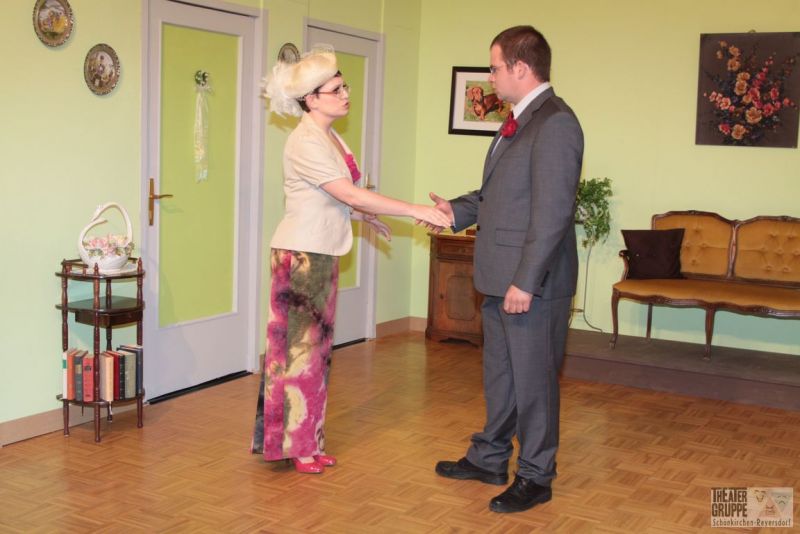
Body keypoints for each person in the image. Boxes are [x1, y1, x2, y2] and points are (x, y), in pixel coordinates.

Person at [251, 46, 452, 475]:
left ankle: (307, 441)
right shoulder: (304, 141)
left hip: (320, 251)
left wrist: (364, 217)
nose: (346, 95)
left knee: (317, 353)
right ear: (311, 99)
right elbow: (346, 192)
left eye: (345, 87)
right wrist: (413, 209)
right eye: (336, 89)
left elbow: (332, 198)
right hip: (301, 256)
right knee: (299, 354)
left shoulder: (328, 136)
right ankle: (297, 447)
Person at [430, 26, 584, 513]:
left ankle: (536, 476)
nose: (491, 77)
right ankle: (490, 458)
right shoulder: (517, 120)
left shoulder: (556, 122)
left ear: (521, 67)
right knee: (502, 377)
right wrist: (453, 211)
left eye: (495, 67)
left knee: (534, 383)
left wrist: (526, 280)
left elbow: (553, 213)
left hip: (529, 284)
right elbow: (498, 196)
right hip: (499, 278)